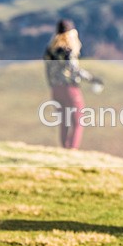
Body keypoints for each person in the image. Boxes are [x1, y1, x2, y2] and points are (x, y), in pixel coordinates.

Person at [43, 19, 102, 150]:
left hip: (55, 90)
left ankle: (64, 148)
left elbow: (47, 70)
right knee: (77, 121)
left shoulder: (50, 50)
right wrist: (92, 79)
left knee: (64, 122)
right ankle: (72, 149)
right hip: (70, 89)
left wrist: (52, 85)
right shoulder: (68, 50)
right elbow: (74, 69)